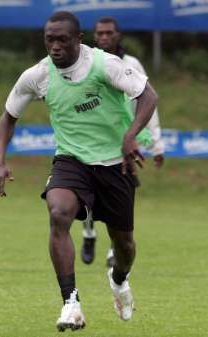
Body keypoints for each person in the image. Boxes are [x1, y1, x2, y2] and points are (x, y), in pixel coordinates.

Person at [0, 11, 158, 332]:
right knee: (58, 212)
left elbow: (148, 96)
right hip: (71, 160)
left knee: (125, 246)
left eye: (62, 40)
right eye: (49, 40)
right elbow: (8, 117)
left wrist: (130, 134)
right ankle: (71, 303)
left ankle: (119, 280)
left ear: (79, 39)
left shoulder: (104, 64)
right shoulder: (37, 75)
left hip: (114, 163)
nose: (54, 47)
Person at [80, 16, 165, 267]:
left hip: (123, 142)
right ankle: (88, 233)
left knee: (119, 196)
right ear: (94, 36)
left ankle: (111, 249)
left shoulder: (132, 64)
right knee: (84, 191)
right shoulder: (86, 62)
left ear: (118, 35)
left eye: (109, 33)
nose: (104, 37)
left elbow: (147, 101)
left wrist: (156, 144)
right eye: (100, 33)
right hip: (91, 138)